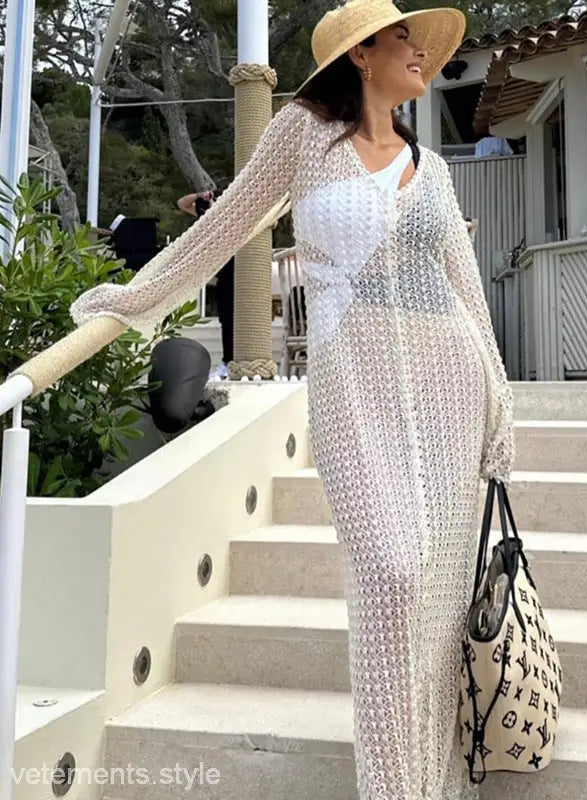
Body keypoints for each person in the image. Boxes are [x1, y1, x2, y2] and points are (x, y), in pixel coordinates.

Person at [70, 2, 515, 797]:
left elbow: (467, 294)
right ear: (359, 56)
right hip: (354, 386)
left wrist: (499, 409)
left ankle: (430, 781)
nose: (420, 53)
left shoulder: (435, 171)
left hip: (451, 389)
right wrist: (134, 298)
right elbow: (226, 224)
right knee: (391, 577)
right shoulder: (303, 136)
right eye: (403, 40)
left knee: (439, 599)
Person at [177, 189, 234, 379]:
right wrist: (200, 195)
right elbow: (182, 203)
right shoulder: (206, 212)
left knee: (237, 318)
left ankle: (235, 360)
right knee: (226, 318)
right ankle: (228, 361)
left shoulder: (234, 212)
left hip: (240, 265)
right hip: (222, 270)